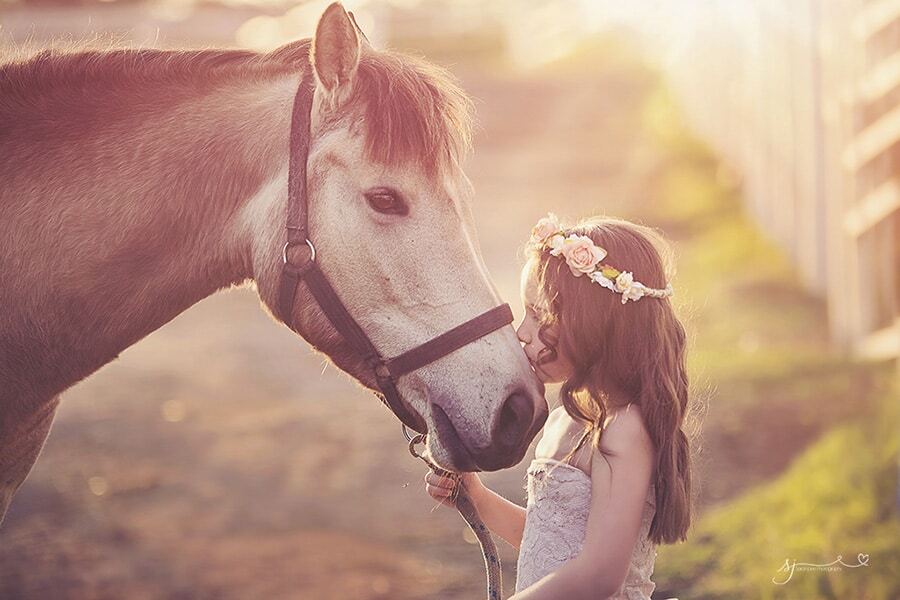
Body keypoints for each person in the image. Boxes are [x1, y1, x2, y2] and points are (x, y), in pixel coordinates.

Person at [425, 214, 694, 599]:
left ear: (594, 323)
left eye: (539, 315)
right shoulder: (566, 420)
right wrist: (478, 498)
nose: (522, 332)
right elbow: (548, 544)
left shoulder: (623, 431)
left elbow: (599, 575)